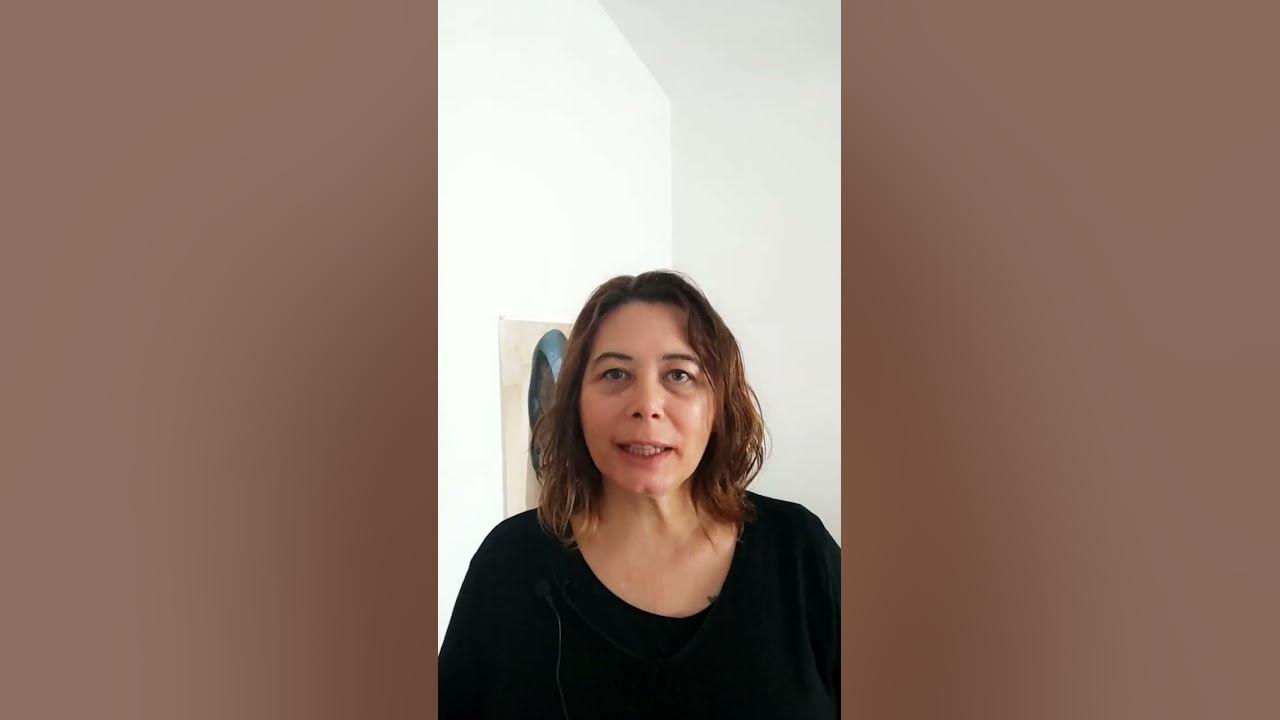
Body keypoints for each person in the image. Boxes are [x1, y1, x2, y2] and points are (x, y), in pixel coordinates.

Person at [439, 270, 839, 719]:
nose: (646, 405)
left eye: (679, 374)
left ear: (718, 406)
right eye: (615, 373)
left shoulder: (798, 551)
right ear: (576, 404)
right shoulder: (508, 563)